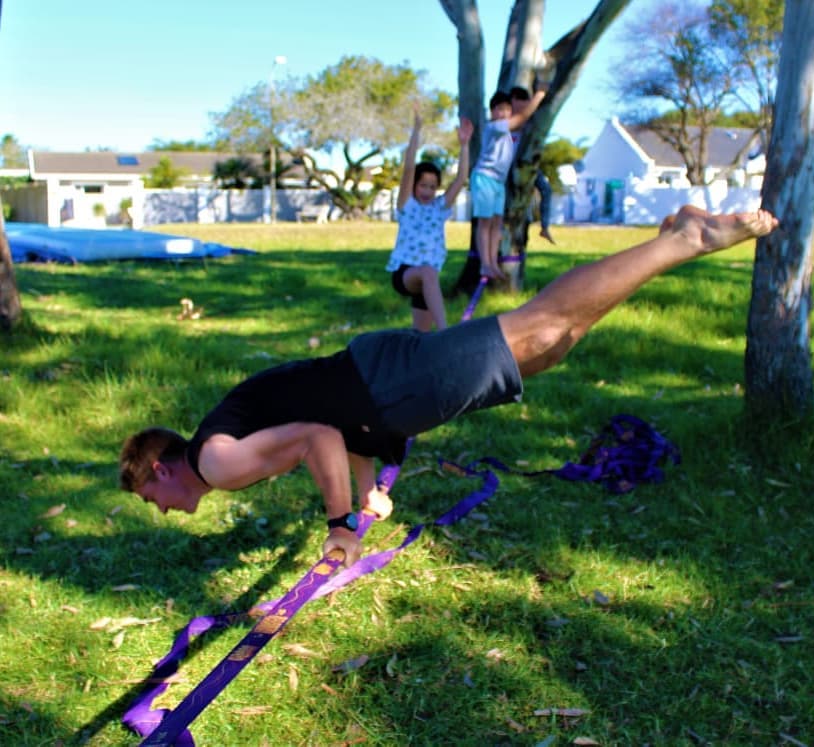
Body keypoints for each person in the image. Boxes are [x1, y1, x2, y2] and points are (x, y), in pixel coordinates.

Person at [119, 206, 779, 569]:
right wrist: (369, 484)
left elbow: (317, 435)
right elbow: (324, 421)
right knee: (548, 346)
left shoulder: (214, 461)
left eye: (150, 493)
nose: (161, 506)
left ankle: (684, 240)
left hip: (388, 384)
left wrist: (338, 522)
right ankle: (661, 242)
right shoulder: (214, 442)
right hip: (377, 379)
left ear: (160, 465)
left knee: (541, 325)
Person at [386, 107, 473, 331]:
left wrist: (464, 145)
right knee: (428, 272)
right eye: (423, 185)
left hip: (428, 282)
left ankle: (416, 357)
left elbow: (462, 177)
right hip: (406, 273)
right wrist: (417, 129)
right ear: (414, 185)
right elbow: (408, 168)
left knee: (421, 337)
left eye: (432, 187)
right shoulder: (407, 205)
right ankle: (446, 332)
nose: (427, 190)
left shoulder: (439, 207)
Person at [470, 86, 547, 280]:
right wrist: (539, 95)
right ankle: (485, 264)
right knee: (485, 223)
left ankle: (492, 263)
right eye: (499, 109)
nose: (503, 113)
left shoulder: (508, 132)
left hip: (498, 182)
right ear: (492, 111)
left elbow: (521, 122)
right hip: (485, 177)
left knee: (497, 224)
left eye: (507, 110)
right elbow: (521, 119)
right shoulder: (494, 127)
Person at [510, 85, 556, 244]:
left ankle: (544, 226)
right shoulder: (504, 124)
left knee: (545, 189)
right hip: (506, 169)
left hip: (525, 167)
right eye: (521, 102)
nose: (524, 108)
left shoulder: (528, 126)